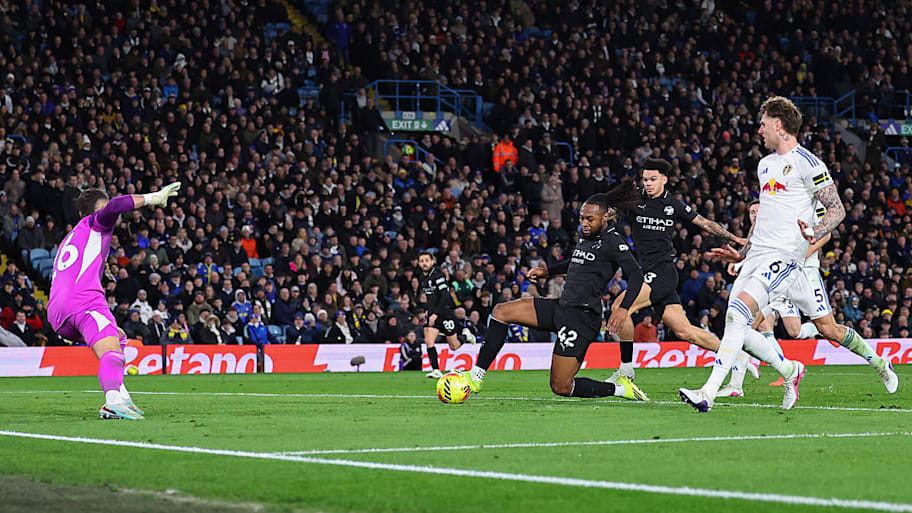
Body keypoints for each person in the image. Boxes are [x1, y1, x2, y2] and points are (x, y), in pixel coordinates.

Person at [679, 96, 849, 412]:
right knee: (735, 321)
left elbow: (837, 209)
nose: (759, 130)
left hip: (786, 255)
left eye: (763, 124)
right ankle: (790, 370)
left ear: (779, 124)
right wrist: (743, 252)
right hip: (758, 254)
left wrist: (816, 230)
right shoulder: (765, 164)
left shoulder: (808, 163)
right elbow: (765, 219)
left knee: (740, 312)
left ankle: (708, 393)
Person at [460, 186, 649, 401]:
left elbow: (636, 274)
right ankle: (476, 376)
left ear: (605, 217)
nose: (584, 224)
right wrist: (547, 271)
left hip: (582, 319)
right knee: (501, 311)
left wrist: (624, 309)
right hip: (562, 306)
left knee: (561, 385)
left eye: (590, 219)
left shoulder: (614, 243)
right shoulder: (587, 236)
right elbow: (577, 261)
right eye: (581, 218)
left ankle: (620, 389)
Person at [721, 201, 899, 397]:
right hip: (775, 270)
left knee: (828, 329)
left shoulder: (810, 197)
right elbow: (764, 238)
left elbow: (826, 234)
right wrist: (743, 261)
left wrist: (797, 258)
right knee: (745, 323)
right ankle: (738, 385)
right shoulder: (776, 195)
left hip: (803, 272)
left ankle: (879, 363)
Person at [608, 158, 753, 384]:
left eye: (653, 179)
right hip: (645, 273)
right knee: (686, 332)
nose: (648, 183)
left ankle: (626, 370)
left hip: (662, 272)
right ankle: (738, 356)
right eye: (645, 179)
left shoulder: (674, 205)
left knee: (620, 307)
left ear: (665, 180)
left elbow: (706, 224)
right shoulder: (634, 201)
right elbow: (608, 207)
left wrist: (735, 238)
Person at [47, 182, 180, 419]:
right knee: (113, 353)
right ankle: (112, 402)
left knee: (117, 337)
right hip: (83, 301)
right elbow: (116, 205)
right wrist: (154, 198)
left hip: (58, 313)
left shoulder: (73, 235)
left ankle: (122, 396)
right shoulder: (97, 224)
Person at [418, 251, 476, 379]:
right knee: (428, 340)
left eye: (427, 260)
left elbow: (444, 296)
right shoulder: (423, 278)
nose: (424, 263)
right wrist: (429, 311)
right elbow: (431, 298)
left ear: (432, 262)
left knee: (454, 346)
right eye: (422, 261)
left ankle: (465, 336)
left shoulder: (438, 274)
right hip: (433, 313)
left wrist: (436, 314)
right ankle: (436, 370)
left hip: (445, 313)